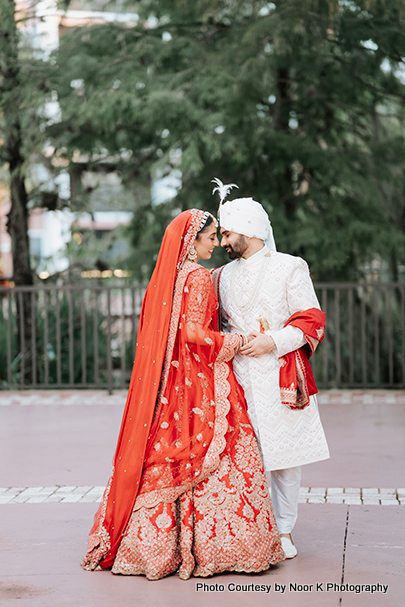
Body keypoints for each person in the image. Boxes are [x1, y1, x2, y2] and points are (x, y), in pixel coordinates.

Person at [81, 208, 285, 580]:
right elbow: (193, 334)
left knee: (169, 454)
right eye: (210, 238)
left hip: (173, 383)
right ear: (192, 243)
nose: (215, 244)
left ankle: (151, 548)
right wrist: (237, 340)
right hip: (201, 381)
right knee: (223, 450)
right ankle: (223, 547)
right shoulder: (199, 277)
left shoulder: (171, 276)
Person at [211, 183, 330, 560]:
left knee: (285, 459)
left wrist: (273, 342)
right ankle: (248, 530)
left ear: (249, 231)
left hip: (279, 372)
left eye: (227, 234)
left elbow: (312, 321)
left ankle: (284, 531)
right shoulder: (219, 276)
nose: (222, 241)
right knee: (242, 456)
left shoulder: (290, 266)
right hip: (236, 377)